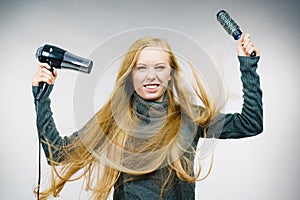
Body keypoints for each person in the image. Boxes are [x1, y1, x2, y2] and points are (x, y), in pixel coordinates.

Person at [32, 34, 263, 200]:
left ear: (171, 74)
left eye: (160, 67)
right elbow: (59, 154)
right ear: (130, 75)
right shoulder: (114, 119)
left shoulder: (190, 117)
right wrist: (42, 98)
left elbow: (250, 124)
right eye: (141, 68)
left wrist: (248, 66)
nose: (151, 76)